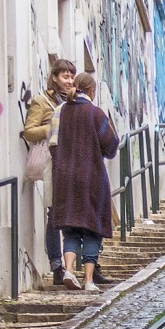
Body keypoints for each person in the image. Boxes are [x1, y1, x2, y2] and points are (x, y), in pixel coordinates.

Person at [49, 72, 119, 292]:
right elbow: (111, 145)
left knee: (70, 229)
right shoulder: (95, 114)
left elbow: (52, 145)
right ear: (91, 91)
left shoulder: (60, 112)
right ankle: (88, 280)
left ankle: (68, 270)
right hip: (91, 178)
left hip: (65, 180)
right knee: (91, 228)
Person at [22, 59, 76, 285]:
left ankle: (76, 265)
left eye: (72, 77)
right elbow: (28, 132)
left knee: (75, 215)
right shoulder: (42, 102)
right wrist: (53, 125)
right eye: (65, 76)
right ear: (54, 77)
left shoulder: (75, 101)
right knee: (54, 216)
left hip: (73, 164)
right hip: (52, 165)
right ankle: (56, 265)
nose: (69, 81)